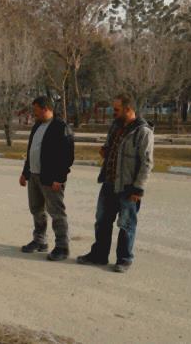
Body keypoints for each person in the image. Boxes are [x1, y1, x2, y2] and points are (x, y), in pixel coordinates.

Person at [77, 94, 154, 273]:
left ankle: (124, 259)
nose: (114, 112)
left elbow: (147, 163)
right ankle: (99, 255)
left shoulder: (142, 131)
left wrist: (138, 188)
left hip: (128, 187)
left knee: (126, 225)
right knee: (102, 221)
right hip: (109, 182)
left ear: (128, 109)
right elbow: (110, 146)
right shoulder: (116, 126)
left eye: (117, 109)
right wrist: (105, 150)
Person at [19, 96, 74, 261]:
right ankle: (40, 241)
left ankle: (62, 247)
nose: (34, 114)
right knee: (36, 210)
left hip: (52, 179)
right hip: (35, 175)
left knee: (56, 212)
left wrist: (60, 178)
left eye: (36, 111)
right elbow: (31, 151)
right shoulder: (37, 126)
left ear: (45, 109)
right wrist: (25, 172)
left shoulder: (60, 127)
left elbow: (67, 156)